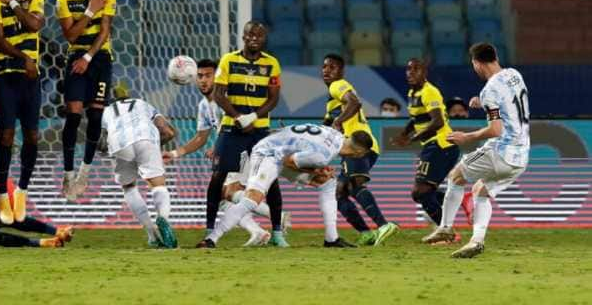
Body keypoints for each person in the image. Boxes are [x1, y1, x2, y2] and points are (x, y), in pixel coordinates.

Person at [423, 43, 530, 258]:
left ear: (476, 63)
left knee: (455, 177)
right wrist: (482, 102)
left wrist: (466, 137)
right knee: (481, 191)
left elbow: (495, 129)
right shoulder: (513, 74)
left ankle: (445, 228)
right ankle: (476, 241)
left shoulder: (490, 89)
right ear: (495, 57)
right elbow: (510, 100)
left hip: (500, 152)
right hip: (521, 157)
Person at [197, 124, 372, 248]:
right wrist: (317, 170)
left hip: (281, 150)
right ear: (359, 152)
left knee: (328, 183)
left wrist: (318, 170)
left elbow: (300, 148)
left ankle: (332, 239)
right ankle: (212, 238)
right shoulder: (324, 155)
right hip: (267, 153)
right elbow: (290, 162)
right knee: (252, 199)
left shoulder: (335, 134)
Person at [161, 59, 271, 246]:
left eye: (208, 75)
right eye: (200, 76)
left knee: (228, 191)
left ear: (217, 76)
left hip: (246, 148)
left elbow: (241, 123)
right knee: (224, 196)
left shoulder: (229, 97)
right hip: (233, 149)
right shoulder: (204, 106)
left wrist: (220, 145)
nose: (203, 80)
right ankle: (259, 231)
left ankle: (278, 218)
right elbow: (200, 138)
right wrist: (173, 154)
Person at [207, 21, 287, 246]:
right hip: (231, 126)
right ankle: (209, 230)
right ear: (243, 37)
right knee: (218, 177)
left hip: (260, 129)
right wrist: (238, 117)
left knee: (270, 181)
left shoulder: (272, 64)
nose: (254, 38)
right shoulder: (229, 60)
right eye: (250, 35)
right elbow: (219, 94)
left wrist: (253, 116)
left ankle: (278, 233)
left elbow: (273, 98)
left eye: (259, 36)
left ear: (264, 39)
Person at [0, 0, 45, 224]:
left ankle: (21, 190)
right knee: (7, 136)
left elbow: (34, 25)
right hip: (4, 76)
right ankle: (2, 194)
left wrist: (12, 3)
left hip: (30, 79)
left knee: (33, 136)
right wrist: (25, 58)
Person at [322, 54, 399, 246]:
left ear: (341, 71)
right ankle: (366, 233)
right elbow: (325, 127)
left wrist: (338, 122)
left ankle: (383, 225)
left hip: (358, 145)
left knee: (355, 186)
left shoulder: (337, 85)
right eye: (324, 67)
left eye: (332, 67)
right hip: (355, 147)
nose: (327, 70)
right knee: (339, 193)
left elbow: (355, 103)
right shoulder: (332, 100)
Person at [57, 0, 116, 201]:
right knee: (73, 115)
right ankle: (68, 173)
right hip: (75, 56)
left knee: (95, 116)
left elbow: (104, 32)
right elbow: (71, 36)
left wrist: (89, 58)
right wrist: (90, 10)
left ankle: (85, 171)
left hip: (100, 59)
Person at [391, 59, 463, 238]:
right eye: (409, 69)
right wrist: (405, 133)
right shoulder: (412, 93)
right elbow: (416, 118)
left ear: (425, 73)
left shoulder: (429, 92)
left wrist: (412, 139)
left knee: (420, 192)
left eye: (416, 69)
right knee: (422, 193)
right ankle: (457, 204)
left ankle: (447, 232)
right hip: (434, 146)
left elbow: (437, 122)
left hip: (441, 145)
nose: (411, 72)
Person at [100, 85, 178, 248]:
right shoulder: (142, 104)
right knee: (158, 185)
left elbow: (100, 140)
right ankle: (163, 218)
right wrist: (156, 148)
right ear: (128, 96)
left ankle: (151, 233)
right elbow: (169, 131)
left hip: (118, 144)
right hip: (145, 137)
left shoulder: (105, 111)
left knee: (129, 187)